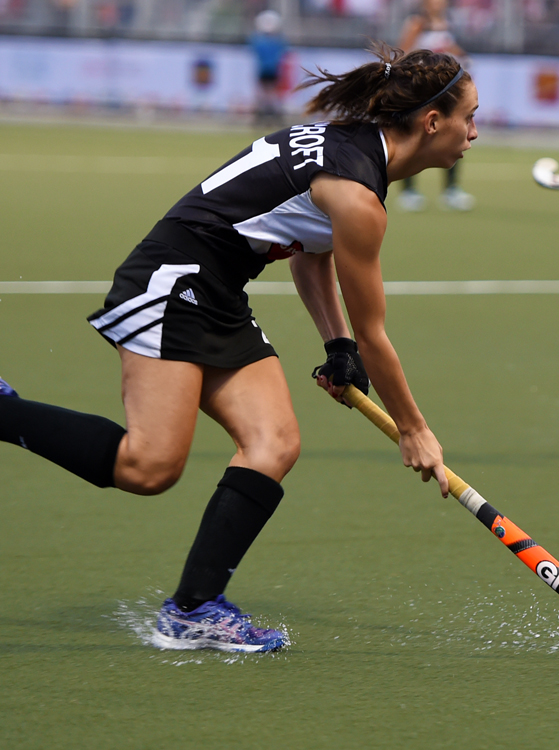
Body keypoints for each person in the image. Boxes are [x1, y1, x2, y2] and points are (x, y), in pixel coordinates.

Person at [0, 43, 477, 651]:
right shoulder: (358, 195)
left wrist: (336, 345)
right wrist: (414, 429)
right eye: (469, 118)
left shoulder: (352, 149)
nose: (474, 132)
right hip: (173, 283)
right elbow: (375, 334)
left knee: (273, 442)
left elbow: (310, 250)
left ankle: (191, 609)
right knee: (149, 466)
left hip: (218, 291)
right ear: (432, 122)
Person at [397, 0, 476, 212]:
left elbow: (448, 47)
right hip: (421, 89)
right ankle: (408, 192)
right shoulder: (418, 23)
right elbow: (404, 52)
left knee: (453, 133)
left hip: (442, 89)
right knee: (415, 137)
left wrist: (463, 59)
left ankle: (451, 190)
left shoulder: (444, 22)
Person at [250, 9, 288, 127]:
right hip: (269, 70)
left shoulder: (262, 40)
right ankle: (268, 116)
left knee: (267, 94)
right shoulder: (275, 41)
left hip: (268, 70)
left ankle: (266, 116)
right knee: (269, 94)